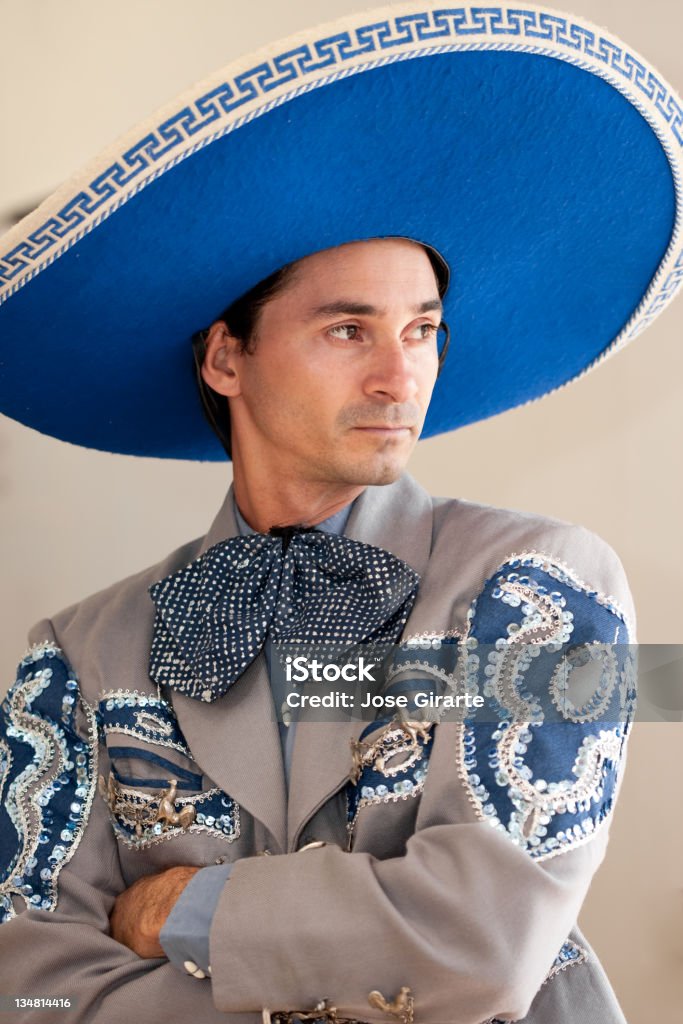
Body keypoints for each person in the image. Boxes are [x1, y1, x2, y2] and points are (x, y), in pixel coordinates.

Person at [0, 3, 680, 1022]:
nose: (399, 375)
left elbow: (482, 940)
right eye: (346, 330)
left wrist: (184, 906)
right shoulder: (80, 650)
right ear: (225, 356)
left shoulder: (545, 584)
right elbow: (33, 981)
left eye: (420, 330)